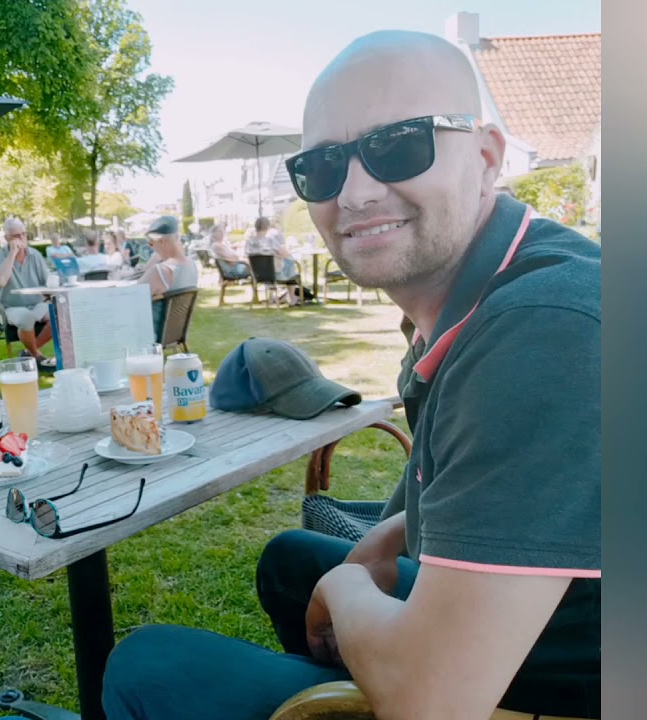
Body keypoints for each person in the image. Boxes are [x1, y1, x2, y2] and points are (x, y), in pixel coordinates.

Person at [103, 29, 600, 720]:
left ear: (486, 157)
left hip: (566, 685)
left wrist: (345, 589)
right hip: (551, 618)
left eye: (399, 144)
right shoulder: (472, 296)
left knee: (146, 662)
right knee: (288, 562)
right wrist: (385, 537)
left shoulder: (544, 329)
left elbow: (434, 702)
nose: (357, 192)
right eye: (324, 167)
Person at [0, 217, 56, 371]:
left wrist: (52, 291)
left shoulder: (34, 255)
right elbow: (1, 281)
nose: (21, 238)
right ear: (7, 238)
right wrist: (12, 254)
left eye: (24, 234)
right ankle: (37, 356)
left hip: (36, 304)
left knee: (59, 314)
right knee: (26, 318)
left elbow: (47, 283)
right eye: (16, 236)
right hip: (10, 306)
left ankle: (28, 352)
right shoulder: (1, 256)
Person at [141, 215, 200, 335]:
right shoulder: (192, 264)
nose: (152, 248)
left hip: (153, 333)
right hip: (176, 332)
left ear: (161, 241)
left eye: (151, 243)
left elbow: (132, 298)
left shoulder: (159, 271)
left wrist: (150, 265)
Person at [245, 216, 304, 305]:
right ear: (268, 226)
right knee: (290, 263)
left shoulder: (249, 242)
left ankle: (274, 297)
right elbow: (285, 254)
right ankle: (292, 299)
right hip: (274, 275)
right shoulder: (270, 240)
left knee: (285, 264)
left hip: (257, 274)